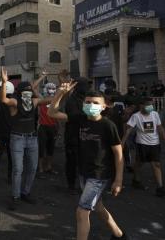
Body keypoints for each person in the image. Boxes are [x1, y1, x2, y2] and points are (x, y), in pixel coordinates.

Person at [48, 83, 127, 240]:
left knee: (82, 211)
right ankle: (119, 235)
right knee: (98, 207)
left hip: (99, 174)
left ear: (104, 106)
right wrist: (60, 93)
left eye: (96, 103)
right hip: (84, 171)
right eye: (88, 102)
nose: (91, 105)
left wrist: (118, 180)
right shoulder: (80, 118)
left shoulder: (107, 125)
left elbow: (118, 154)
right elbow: (52, 113)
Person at [0, 67, 52, 210]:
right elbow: (3, 99)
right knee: (18, 169)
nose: (28, 93)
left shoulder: (33, 102)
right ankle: (15, 196)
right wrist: (4, 82)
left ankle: (25, 192)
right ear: (20, 92)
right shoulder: (15, 102)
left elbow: (48, 99)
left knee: (32, 168)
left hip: (32, 138)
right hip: (17, 138)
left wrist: (61, 90)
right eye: (26, 91)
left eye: (30, 91)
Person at [122, 97, 165, 197]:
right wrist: (122, 143)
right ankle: (136, 180)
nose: (151, 107)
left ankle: (160, 187)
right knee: (140, 163)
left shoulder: (155, 114)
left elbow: (160, 128)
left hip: (155, 144)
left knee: (156, 164)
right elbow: (128, 130)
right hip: (142, 144)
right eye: (148, 105)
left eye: (152, 105)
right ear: (141, 106)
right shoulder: (136, 116)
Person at [64, 77, 90, 195]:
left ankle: (83, 184)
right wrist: (88, 113)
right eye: (85, 85)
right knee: (72, 162)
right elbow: (73, 116)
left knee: (84, 161)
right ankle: (71, 185)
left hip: (85, 136)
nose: (87, 88)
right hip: (73, 136)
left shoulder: (86, 99)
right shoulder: (71, 100)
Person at [37, 82, 58, 175]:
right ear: (45, 89)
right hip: (43, 127)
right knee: (41, 148)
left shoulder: (56, 99)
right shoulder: (41, 99)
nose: (51, 90)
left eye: (53, 88)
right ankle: (40, 168)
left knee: (51, 148)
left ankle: (49, 167)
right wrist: (42, 77)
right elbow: (34, 87)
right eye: (49, 88)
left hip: (53, 126)